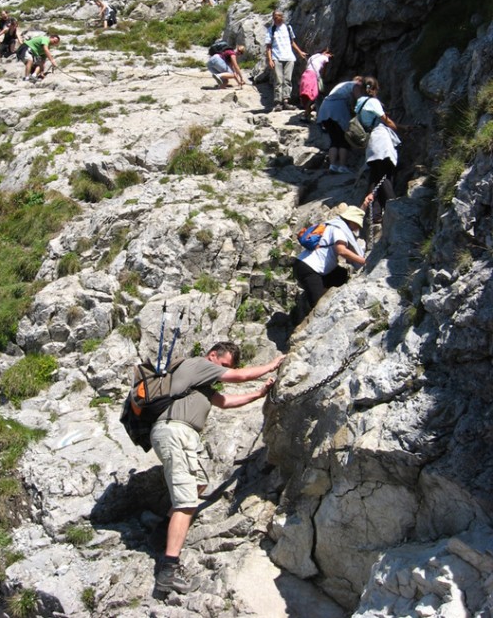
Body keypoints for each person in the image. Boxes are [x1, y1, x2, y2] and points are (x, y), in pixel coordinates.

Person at [150, 342, 284, 594]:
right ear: (212, 355)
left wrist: (257, 394)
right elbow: (240, 376)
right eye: (223, 365)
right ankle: (169, 570)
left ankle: (160, 533)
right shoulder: (198, 365)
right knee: (186, 502)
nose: (223, 371)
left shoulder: (200, 384)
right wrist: (274, 364)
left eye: (227, 368)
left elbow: (224, 402)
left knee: (198, 483)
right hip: (174, 432)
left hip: (182, 435)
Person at [293, 205, 367, 309]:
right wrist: (364, 261)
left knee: (341, 274)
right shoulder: (339, 230)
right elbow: (341, 250)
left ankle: (325, 296)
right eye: (357, 224)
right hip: (310, 269)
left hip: (302, 264)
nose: (357, 228)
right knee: (318, 307)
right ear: (352, 221)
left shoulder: (332, 225)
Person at [354, 77, 401, 224]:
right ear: (374, 89)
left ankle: (374, 213)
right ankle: (394, 206)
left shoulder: (359, 103)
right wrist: (399, 128)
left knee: (375, 176)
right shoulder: (373, 102)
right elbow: (385, 120)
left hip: (370, 142)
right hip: (380, 140)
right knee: (385, 174)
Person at [317, 77, 363, 173]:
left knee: (334, 139)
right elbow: (360, 100)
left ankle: (332, 165)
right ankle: (342, 166)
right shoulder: (356, 85)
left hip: (325, 109)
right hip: (337, 109)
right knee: (344, 139)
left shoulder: (342, 85)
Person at [265, 11, 307, 111]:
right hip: (277, 58)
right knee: (278, 81)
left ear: (282, 17)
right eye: (274, 17)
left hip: (289, 57)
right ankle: (278, 102)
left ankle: (286, 101)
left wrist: (300, 52)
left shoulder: (288, 28)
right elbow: (268, 47)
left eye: (278, 16)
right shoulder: (271, 30)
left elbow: (292, 42)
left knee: (287, 80)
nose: (276, 18)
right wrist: (270, 60)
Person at [299, 48, 333, 121]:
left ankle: (307, 113)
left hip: (305, 75)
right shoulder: (325, 58)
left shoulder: (313, 57)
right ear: (326, 52)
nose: (330, 56)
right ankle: (307, 114)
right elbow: (323, 71)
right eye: (330, 54)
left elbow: (307, 66)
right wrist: (322, 78)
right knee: (314, 95)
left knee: (307, 95)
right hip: (312, 76)